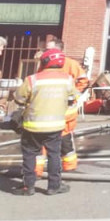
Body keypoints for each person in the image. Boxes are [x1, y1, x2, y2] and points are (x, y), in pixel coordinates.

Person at [12, 48, 77, 195]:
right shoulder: (67, 79)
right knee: (54, 155)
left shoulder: (32, 79)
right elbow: (73, 98)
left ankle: (28, 187)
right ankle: (54, 186)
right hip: (55, 126)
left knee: (30, 155)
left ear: (45, 62)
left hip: (32, 126)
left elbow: (19, 99)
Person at [35, 36, 89, 173]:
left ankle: (69, 167)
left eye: (48, 49)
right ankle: (37, 169)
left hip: (64, 111)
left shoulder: (70, 64)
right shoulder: (43, 64)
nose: (44, 52)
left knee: (64, 140)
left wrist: (71, 97)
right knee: (41, 141)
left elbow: (83, 81)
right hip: (47, 110)